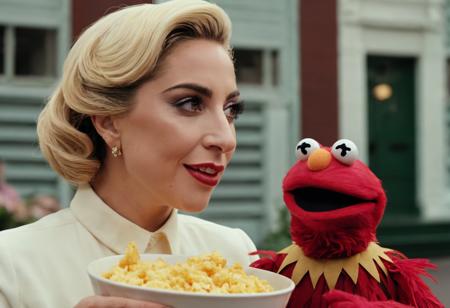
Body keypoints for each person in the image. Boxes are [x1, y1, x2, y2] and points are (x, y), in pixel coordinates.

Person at [0, 1, 258, 307]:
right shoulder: (11, 267)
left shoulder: (237, 254)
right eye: (190, 103)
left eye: (231, 110)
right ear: (109, 122)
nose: (225, 138)